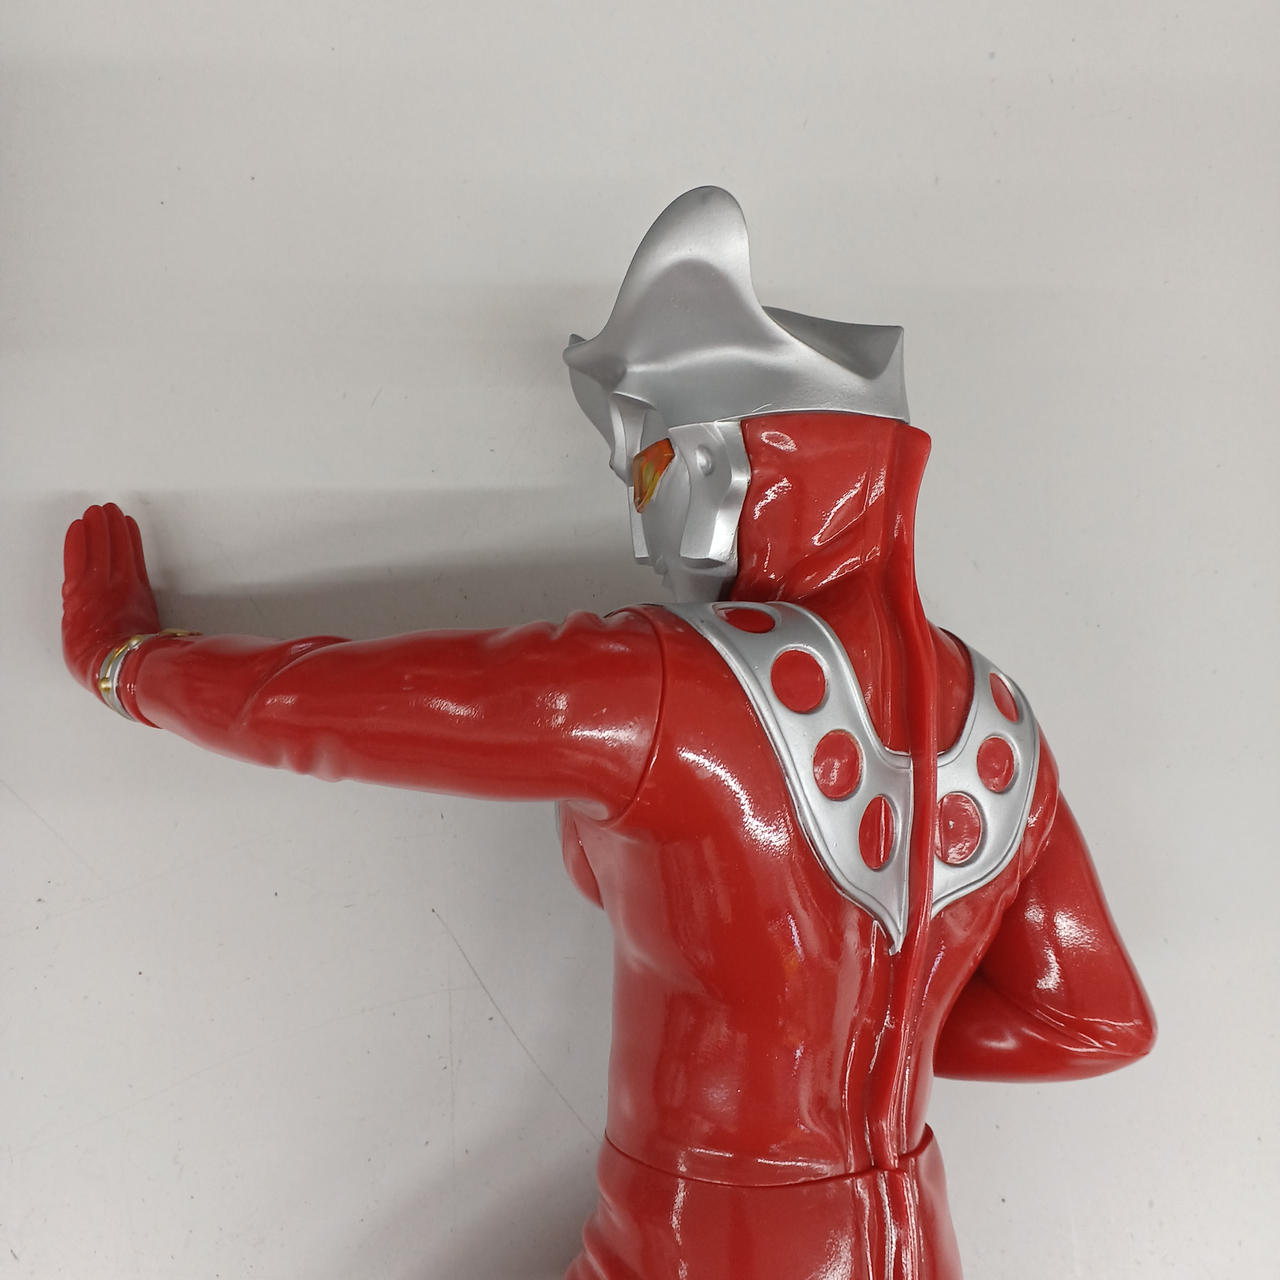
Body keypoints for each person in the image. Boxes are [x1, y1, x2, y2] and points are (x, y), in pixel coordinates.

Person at [61, 189, 1155, 1280]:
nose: (642, 519)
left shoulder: (678, 684)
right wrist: (850, 1046)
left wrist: (127, 662)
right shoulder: (1001, 722)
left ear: (724, 466)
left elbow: (321, 705)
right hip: (911, 1240)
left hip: (703, 1244)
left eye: (648, 469)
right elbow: (1091, 1024)